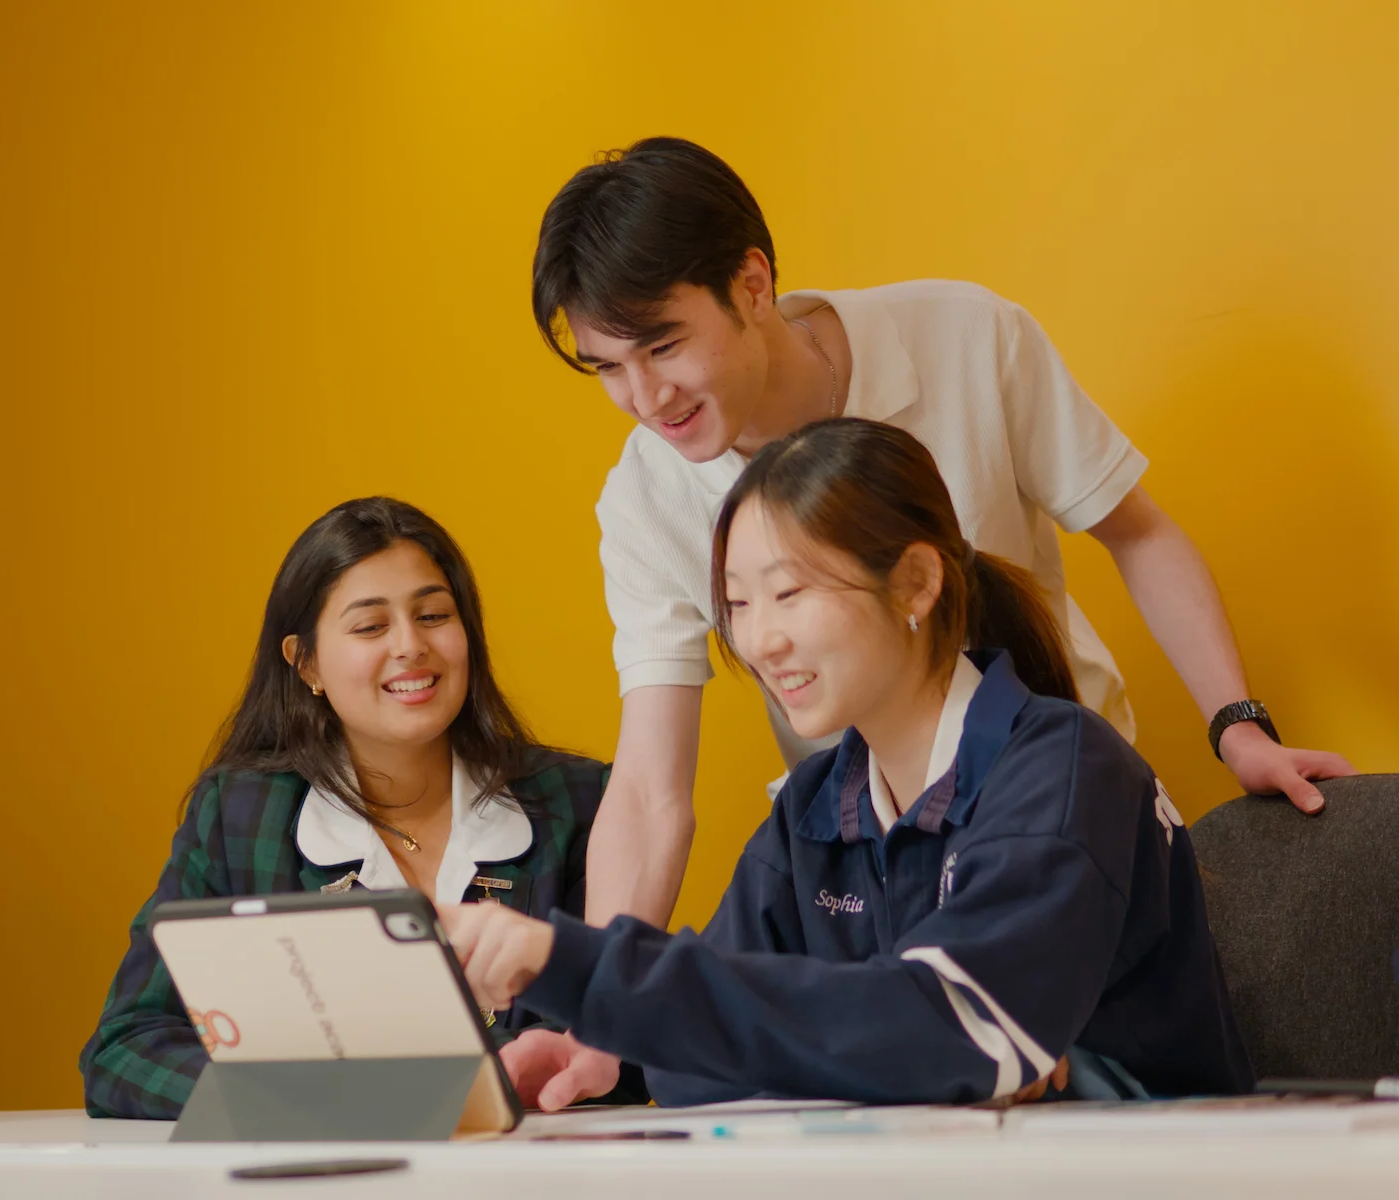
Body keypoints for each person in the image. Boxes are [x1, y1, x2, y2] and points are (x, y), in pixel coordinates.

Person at [532, 136, 1354, 941]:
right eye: (606, 367)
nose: (644, 396)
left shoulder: (968, 335)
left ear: (751, 284)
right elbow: (647, 789)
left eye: (663, 346)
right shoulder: (647, 495)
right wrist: (600, 1009)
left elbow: (1138, 534)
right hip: (870, 876)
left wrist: (1237, 727)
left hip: (1061, 818)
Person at [442, 419, 1256, 1106]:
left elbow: (957, 1029)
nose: (760, 640)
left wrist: (574, 964)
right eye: (739, 603)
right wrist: (611, 1047)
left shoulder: (1067, 770)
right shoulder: (814, 806)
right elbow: (711, 1054)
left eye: (789, 594)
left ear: (914, 583)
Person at [80, 497, 615, 1119]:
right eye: (369, 627)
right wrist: (304, 1097)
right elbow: (125, 1047)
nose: (411, 646)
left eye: (434, 615)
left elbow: (625, 1043)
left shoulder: (576, 800)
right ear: (305, 663)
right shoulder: (239, 817)